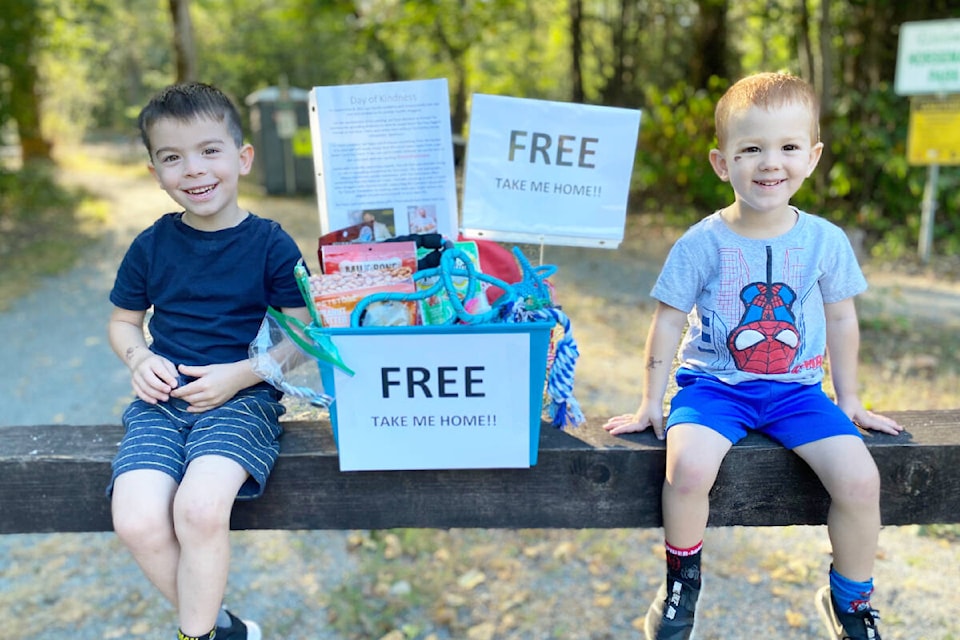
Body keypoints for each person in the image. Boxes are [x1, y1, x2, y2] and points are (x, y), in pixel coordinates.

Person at [603, 72, 902, 640]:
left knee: (861, 480)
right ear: (722, 163)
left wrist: (852, 398)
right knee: (687, 467)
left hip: (798, 393)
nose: (771, 163)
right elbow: (667, 320)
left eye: (788, 147)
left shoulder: (824, 241)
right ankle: (680, 586)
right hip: (714, 388)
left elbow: (841, 318)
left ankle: (850, 600)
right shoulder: (701, 243)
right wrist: (649, 400)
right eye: (752, 149)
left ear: (812, 157)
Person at [106, 82, 312, 640]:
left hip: (243, 401)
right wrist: (138, 356)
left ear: (242, 158)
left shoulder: (270, 244)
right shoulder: (151, 245)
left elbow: (305, 331)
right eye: (172, 158)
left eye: (209, 150)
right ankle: (222, 628)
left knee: (199, 510)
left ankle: (195, 637)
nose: (193, 170)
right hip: (162, 403)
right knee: (137, 519)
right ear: (155, 172)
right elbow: (124, 321)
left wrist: (244, 374)